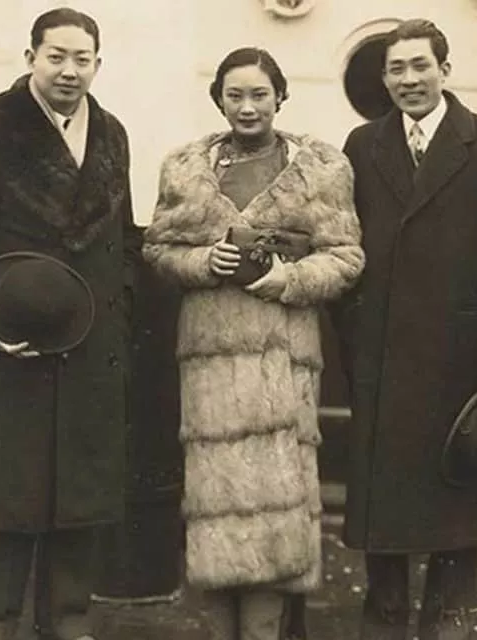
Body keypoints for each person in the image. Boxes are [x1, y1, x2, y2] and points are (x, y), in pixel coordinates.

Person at [0, 8, 141, 640]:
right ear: (30, 58)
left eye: (83, 59)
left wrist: (117, 314)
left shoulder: (112, 135)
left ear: (98, 65)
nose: (69, 71)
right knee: (7, 513)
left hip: (91, 355)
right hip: (14, 354)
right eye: (56, 56)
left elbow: (125, 243)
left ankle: (68, 628)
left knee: (79, 516)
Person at [142, 47, 364, 640]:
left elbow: (346, 257)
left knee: (278, 512)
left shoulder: (320, 170)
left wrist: (288, 279)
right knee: (214, 508)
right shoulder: (185, 169)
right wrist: (202, 262)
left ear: (280, 97)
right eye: (235, 95)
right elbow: (157, 249)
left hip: (280, 367)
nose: (247, 107)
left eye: (259, 94)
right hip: (209, 369)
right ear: (218, 99)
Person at [334, 19, 477, 640]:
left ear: (445, 71)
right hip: (383, 359)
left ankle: (448, 624)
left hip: (461, 364)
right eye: (396, 69)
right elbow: (345, 241)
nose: (409, 80)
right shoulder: (362, 145)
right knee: (385, 521)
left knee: (457, 513)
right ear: (384, 79)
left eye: (420, 65)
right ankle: (384, 624)